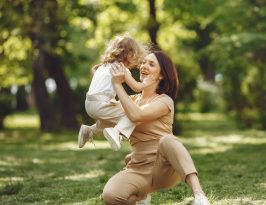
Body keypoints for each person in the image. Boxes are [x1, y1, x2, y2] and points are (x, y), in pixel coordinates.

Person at [101, 51, 210, 205]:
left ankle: (199, 196)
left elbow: (136, 115)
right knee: (110, 196)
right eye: (143, 62)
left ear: (161, 75)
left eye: (151, 64)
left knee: (168, 140)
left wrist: (118, 84)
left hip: (164, 168)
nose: (144, 66)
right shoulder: (131, 100)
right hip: (138, 168)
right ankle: (141, 197)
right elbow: (105, 116)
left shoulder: (165, 101)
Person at [78, 35, 158, 151]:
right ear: (129, 55)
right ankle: (116, 133)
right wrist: (148, 82)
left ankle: (89, 130)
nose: (136, 62)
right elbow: (136, 88)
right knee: (132, 116)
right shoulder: (121, 69)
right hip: (101, 104)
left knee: (109, 122)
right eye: (135, 57)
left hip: (90, 104)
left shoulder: (102, 66)